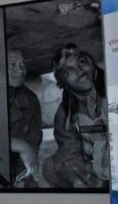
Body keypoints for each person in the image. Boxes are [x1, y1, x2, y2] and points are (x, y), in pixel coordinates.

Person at [41, 44, 109, 190]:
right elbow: (69, 152)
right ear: (63, 83)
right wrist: (76, 177)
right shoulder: (65, 113)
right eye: (69, 71)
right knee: (50, 167)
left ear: (91, 63)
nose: (79, 71)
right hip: (96, 171)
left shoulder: (115, 90)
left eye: (82, 62)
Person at [6, 48, 42, 188]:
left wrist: (22, 177)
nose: (20, 70)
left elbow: (33, 144)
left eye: (22, 65)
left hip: (14, 172)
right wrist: (20, 145)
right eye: (12, 65)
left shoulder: (30, 101)